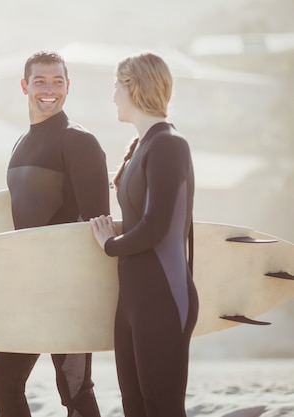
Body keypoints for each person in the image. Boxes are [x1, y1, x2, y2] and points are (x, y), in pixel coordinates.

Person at [0, 51, 109, 417]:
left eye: (57, 81)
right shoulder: (21, 143)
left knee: (74, 389)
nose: (49, 89)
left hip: (65, 289)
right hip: (27, 286)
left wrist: (89, 293)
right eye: (40, 81)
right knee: (4, 385)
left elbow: (97, 223)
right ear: (24, 86)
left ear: (68, 87)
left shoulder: (79, 142)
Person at [90, 52, 199, 417]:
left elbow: (156, 226)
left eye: (116, 86)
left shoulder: (169, 145)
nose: (113, 96)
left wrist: (109, 245)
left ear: (133, 86)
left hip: (164, 297)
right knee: (134, 407)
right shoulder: (139, 147)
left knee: (162, 408)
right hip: (133, 301)